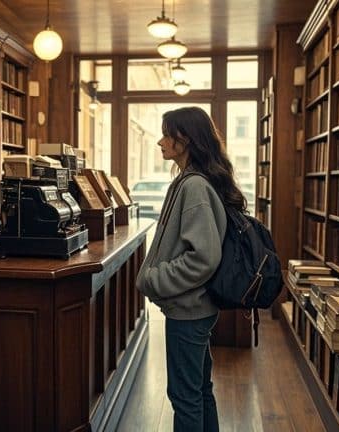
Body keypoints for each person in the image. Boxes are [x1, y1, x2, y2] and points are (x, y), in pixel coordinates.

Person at [135, 106, 247, 432]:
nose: (160, 142)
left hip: (189, 309)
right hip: (196, 306)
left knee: (184, 397)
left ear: (184, 139)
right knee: (199, 390)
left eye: (166, 135)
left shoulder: (194, 186)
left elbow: (203, 258)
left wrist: (155, 279)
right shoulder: (193, 181)